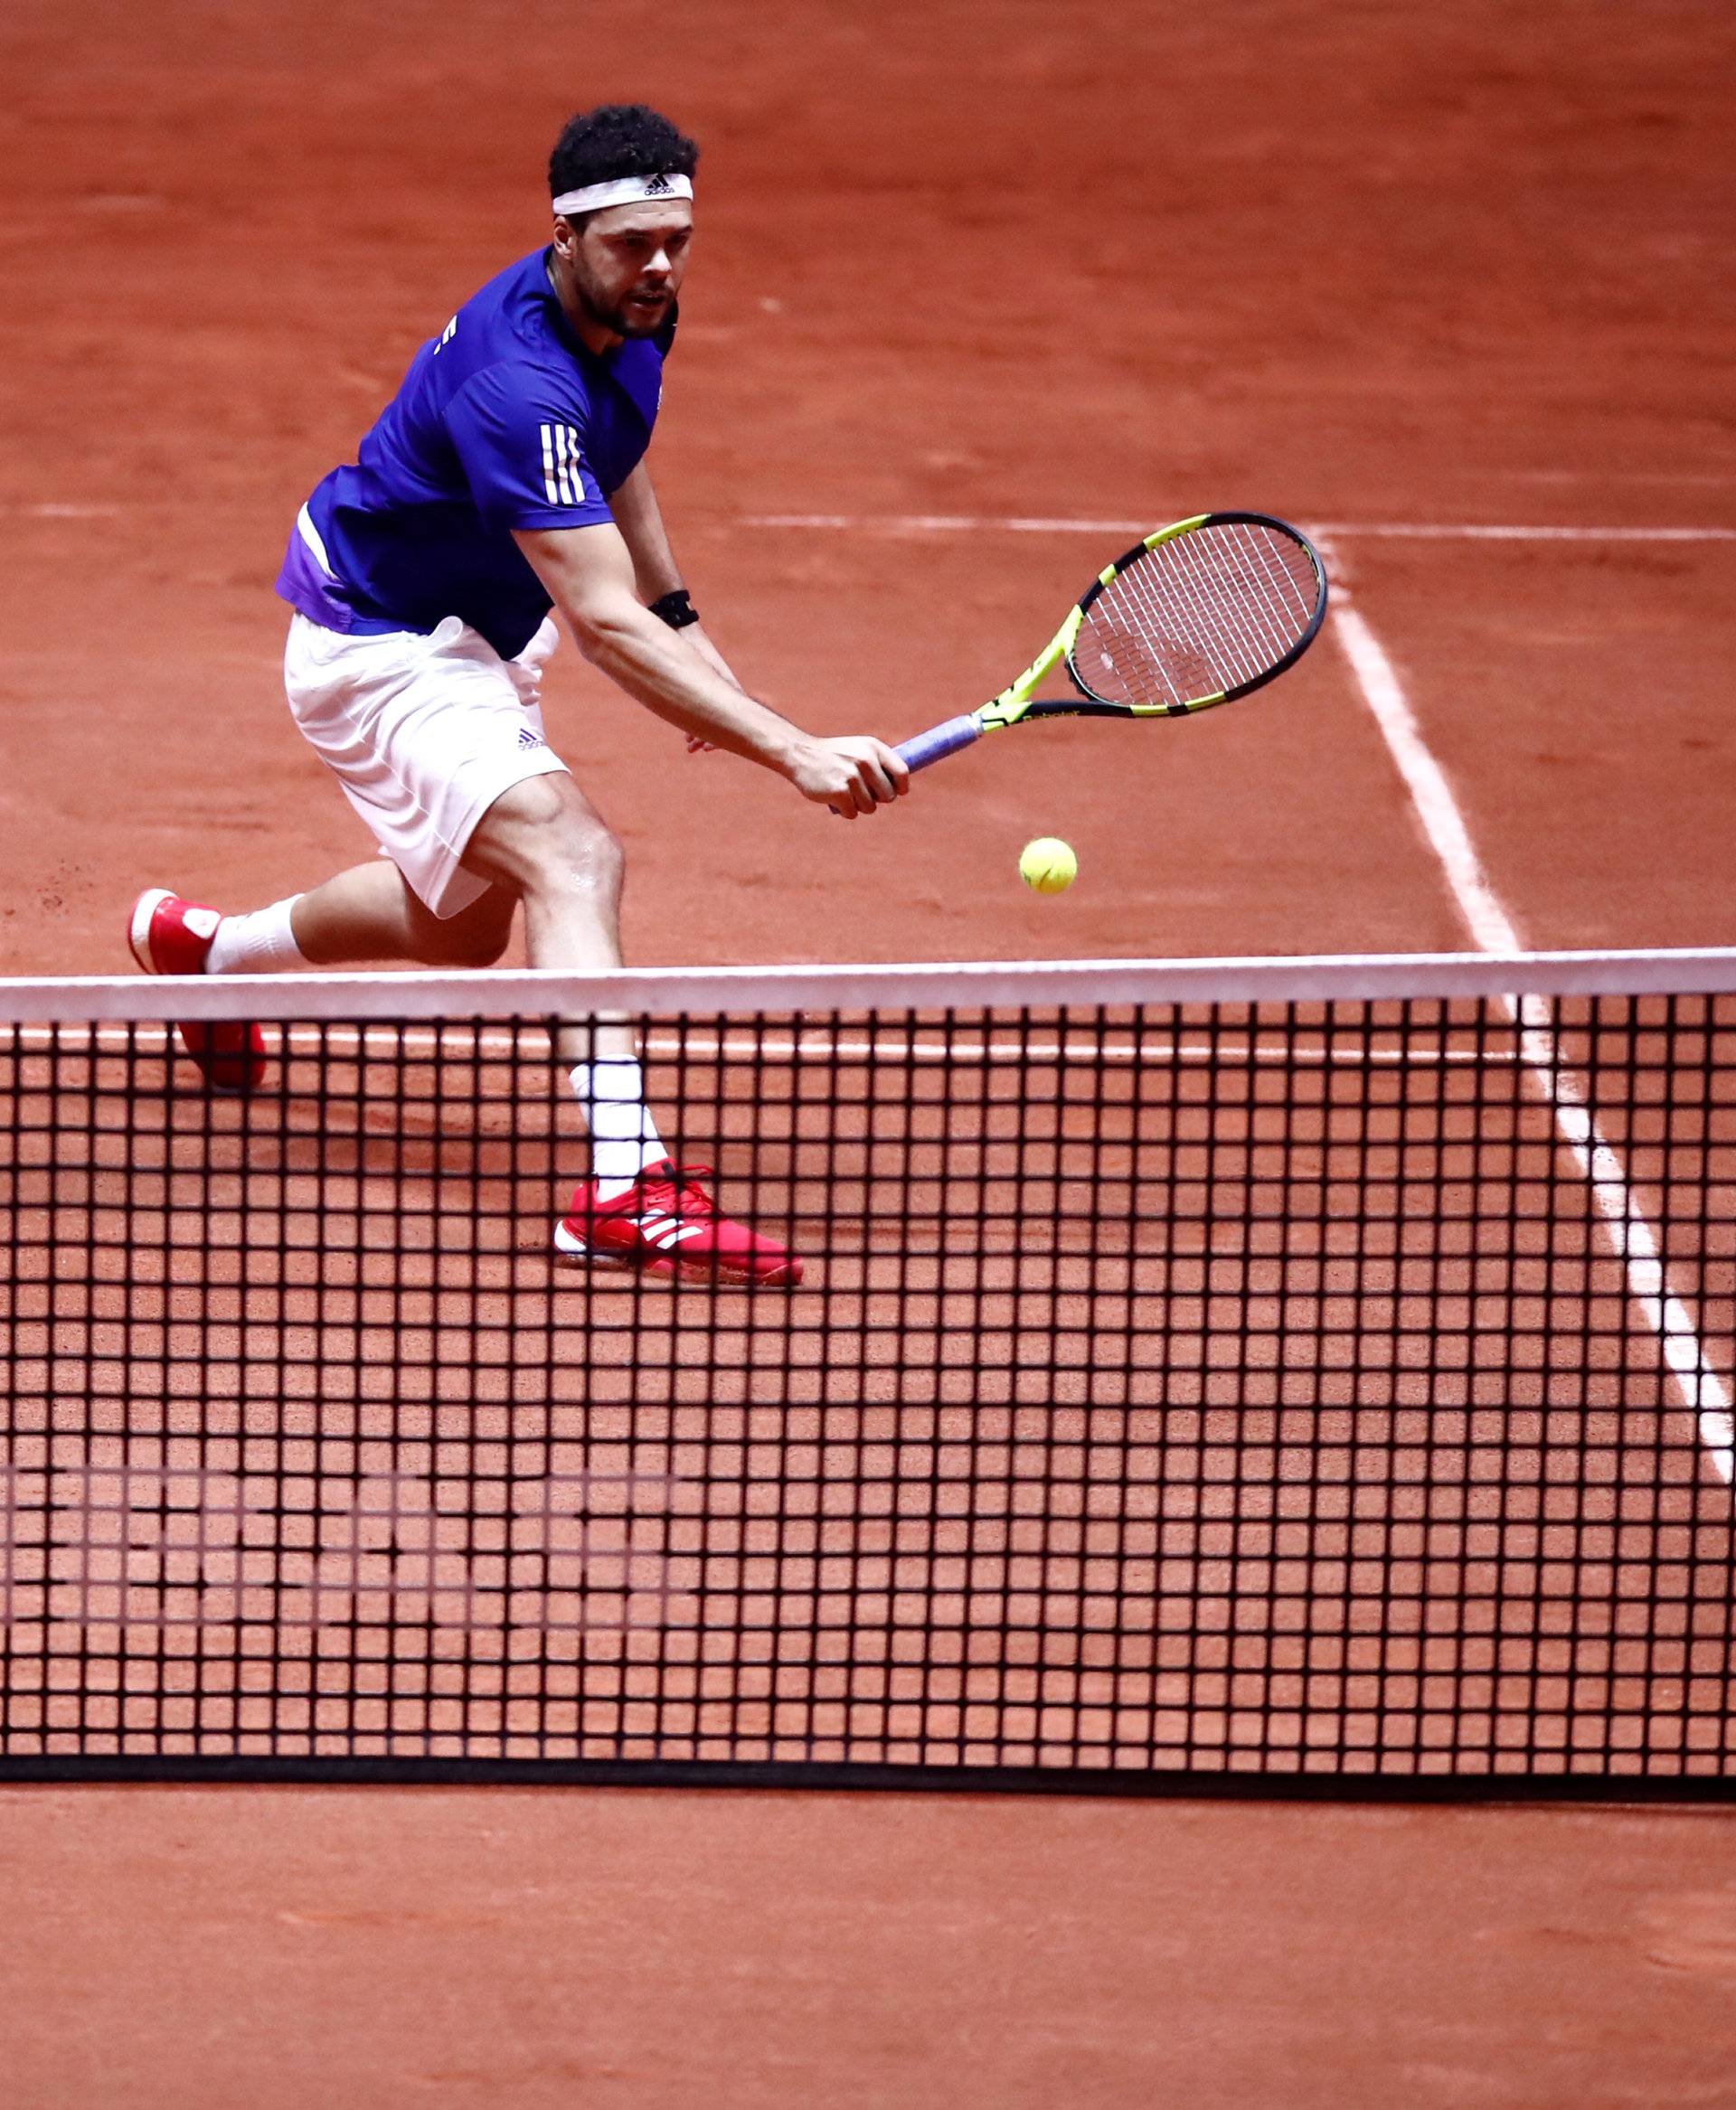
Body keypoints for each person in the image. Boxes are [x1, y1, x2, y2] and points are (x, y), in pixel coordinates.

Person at [127, 103, 910, 1289]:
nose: (658, 267)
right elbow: (599, 621)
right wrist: (787, 746)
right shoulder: (516, 381)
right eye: (631, 243)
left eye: (677, 241)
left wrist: (688, 629)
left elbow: (620, 448)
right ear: (565, 230)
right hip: (379, 642)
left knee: (466, 926)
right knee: (570, 854)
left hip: (479, 631)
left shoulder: (629, 309)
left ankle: (207, 954)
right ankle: (627, 1189)